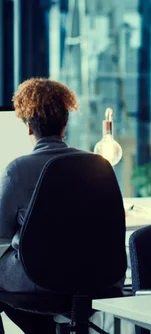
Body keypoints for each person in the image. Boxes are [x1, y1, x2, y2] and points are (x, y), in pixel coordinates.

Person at [0, 78, 82, 332]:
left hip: (39, 284)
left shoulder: (18, 170)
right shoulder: (94, 167)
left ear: (27, 127)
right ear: (65, 124)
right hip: (90, 281)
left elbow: (1, 233)